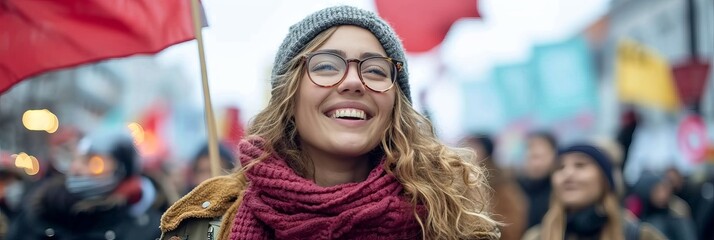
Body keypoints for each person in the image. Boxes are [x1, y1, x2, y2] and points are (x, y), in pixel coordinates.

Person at [160, 5, 499, 240]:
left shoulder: (454, 224)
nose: (353, 82)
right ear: (288, 96)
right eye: (326, 66)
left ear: (396, 104)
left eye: (376, 70)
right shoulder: (205, 226)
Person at [8, 129, 162, 240]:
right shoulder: (40, 207)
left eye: (95, 163)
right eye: (77, 159)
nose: (77, 169)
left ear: (121, 170)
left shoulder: (146, 229)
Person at [523, 144, 665, 240]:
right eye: (560, 167)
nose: (568, 173)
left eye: (580, 165)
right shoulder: (536, 237)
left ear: (604, 180)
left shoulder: (638, 235)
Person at [462, 134, 527, 240]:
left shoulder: (501, 183)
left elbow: (513, 223)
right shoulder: (459, 180)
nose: (466, 151)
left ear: (485, 151)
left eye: (473, 147)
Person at [630, 171, 697, 240]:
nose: (663, 195)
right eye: (658, 191)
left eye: (665, 190)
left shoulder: (677, 213)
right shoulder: (639, 216)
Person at [518, 131, 557, 228]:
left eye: (540, 157)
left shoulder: (560, 190)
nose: (536, 164)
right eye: (532, 158)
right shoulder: (515, 188)